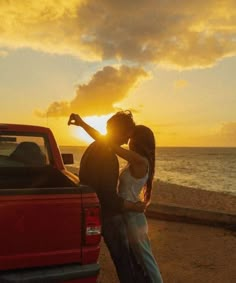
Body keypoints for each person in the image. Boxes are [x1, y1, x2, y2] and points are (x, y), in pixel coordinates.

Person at [68, 113, 163, 283]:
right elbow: (108, 196)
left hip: (131, 216)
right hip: (119, 213)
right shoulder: (111, 154)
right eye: (127, 135)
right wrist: (82, 124)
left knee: (141, 259)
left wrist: (83, 124)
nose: (127, 141)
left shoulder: (136, 160)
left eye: (131, 138)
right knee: (131, 260)